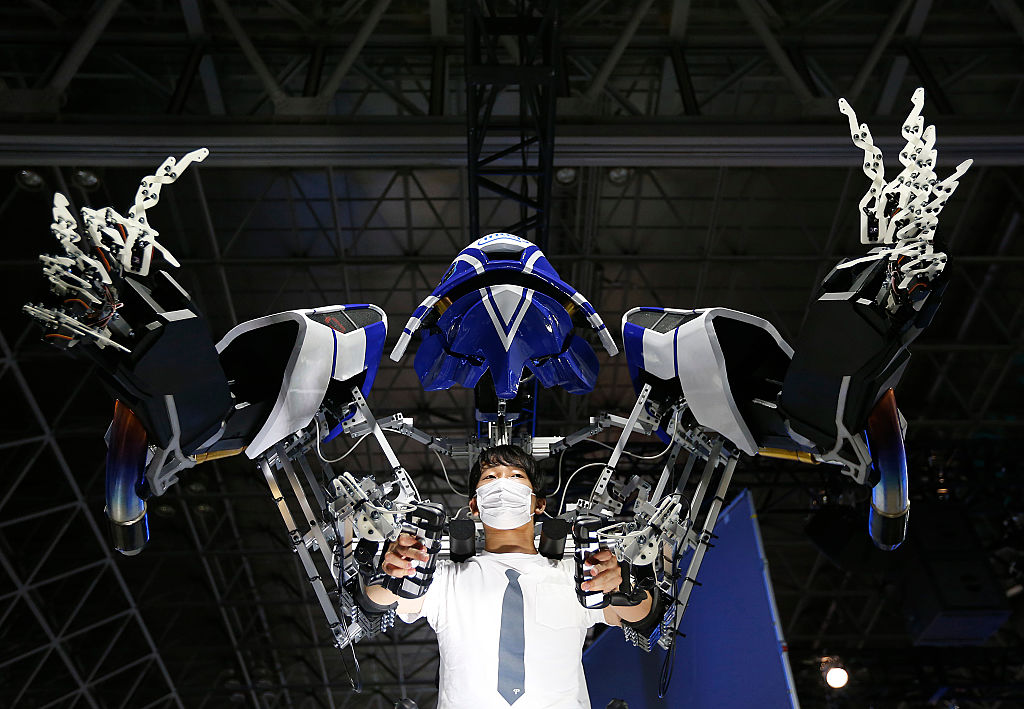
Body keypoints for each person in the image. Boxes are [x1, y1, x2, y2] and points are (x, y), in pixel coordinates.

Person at [365, 444, 653, 709]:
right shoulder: (445, 580)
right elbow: (382, 599)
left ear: (539, 504)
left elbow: (639, 613)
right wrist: (394, 571)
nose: (502, 484)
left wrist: (619, 587)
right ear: (475, 506)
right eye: (490, 477)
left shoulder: (575, 575)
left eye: (516, 476)